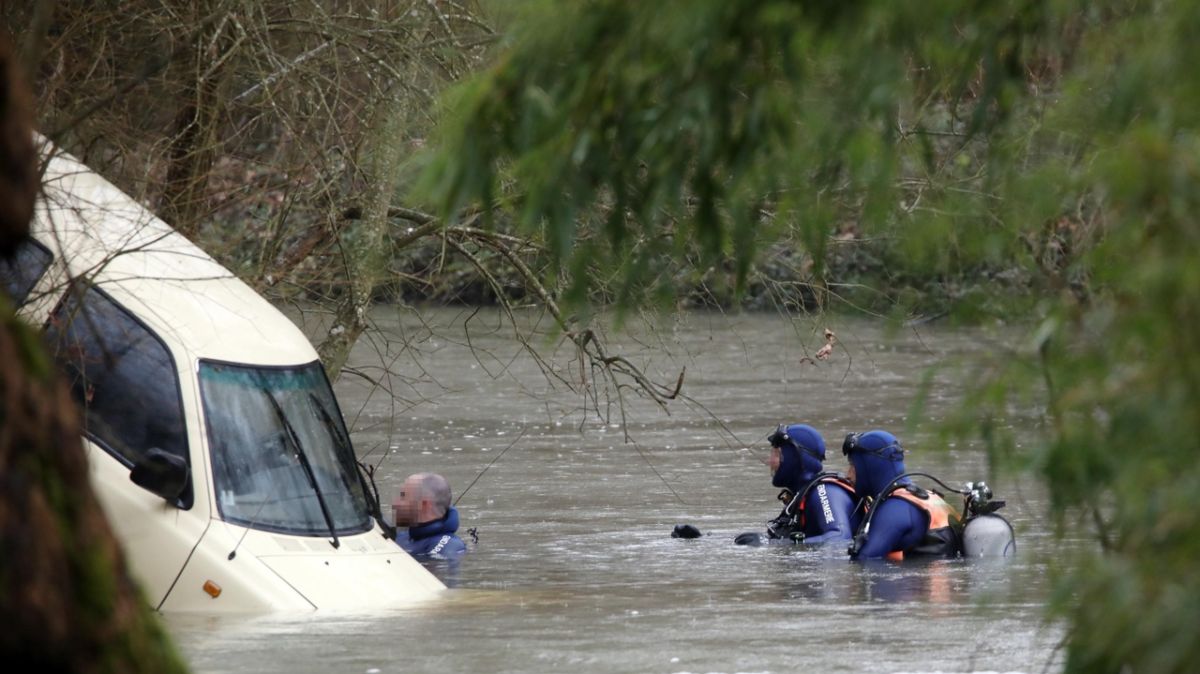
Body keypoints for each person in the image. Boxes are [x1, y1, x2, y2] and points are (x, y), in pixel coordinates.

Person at [843, 430, 961, 560]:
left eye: (853, 465)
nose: (848, 475)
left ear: (870, 467)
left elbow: (862, 561)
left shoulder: (894, 509)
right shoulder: (929, 498)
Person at [734, 423, 857, 546]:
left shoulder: (824, 492)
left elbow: (839, 537)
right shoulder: (800, 496)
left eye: (777, 454)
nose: (769, 461)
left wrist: (772, 544)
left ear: (794, 458)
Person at [392, 472, 467, 561]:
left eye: (403, 497)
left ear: (423, 505)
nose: (396, 503)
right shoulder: (404, 535)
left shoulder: (448, 546)